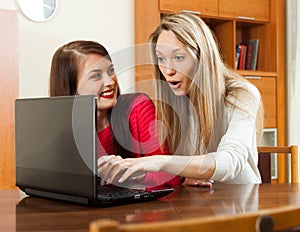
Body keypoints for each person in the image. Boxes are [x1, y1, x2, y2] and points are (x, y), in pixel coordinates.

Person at [97, 13, 264, 184]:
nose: (168, 70)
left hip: (243, 203)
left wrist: (160, 161)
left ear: (202, 57)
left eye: (178, 58)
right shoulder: (171, 103)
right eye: (161, 59)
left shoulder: (242, 94)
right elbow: (181, 171)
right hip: (199, 204)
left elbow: (229, 163)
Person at [49, 40, 181, 189]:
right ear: (72, 88)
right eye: (96, 76)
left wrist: (132, 173)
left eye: (111, 71)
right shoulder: (63, 132)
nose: (110, 81)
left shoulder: (137, 107)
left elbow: (170, 178)